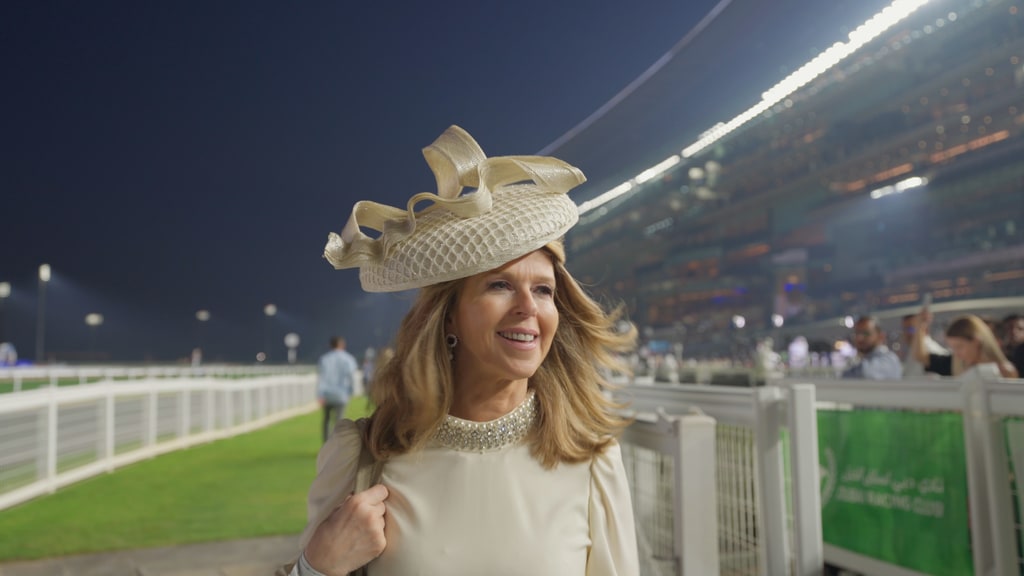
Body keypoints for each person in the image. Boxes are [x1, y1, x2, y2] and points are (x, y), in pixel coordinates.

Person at [283, 126, 639, 575]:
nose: (528, 308)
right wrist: (315, 568)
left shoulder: (593, 462)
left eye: (544, 290)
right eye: (500, 285)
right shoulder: (362, 456)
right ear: (447, 316)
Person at [912, 313, 1017, 379]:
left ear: (976, 341)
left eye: (959, 347)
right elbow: (921, 357)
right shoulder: (957, 364)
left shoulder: (1005, 371)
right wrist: (920, 327)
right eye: (953, 348)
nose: (957, 353)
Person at [317, 336, 358, 443]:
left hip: (327, 395)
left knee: (326, 420)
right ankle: (337, 445)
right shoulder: (348, 359)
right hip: (341, 394)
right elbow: (351, 377)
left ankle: (326, 444)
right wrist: (352, 391)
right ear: (342, 345)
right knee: (339, 420)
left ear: (331, 345)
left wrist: (320, 395)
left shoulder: (324, 359)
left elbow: (321, 378)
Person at [841, 315, 903, 380]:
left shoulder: (889, 359)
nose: (860, 338)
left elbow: (866, 374)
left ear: (881, 336)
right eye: (857, 333)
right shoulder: (864, 360)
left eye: (866, 333)